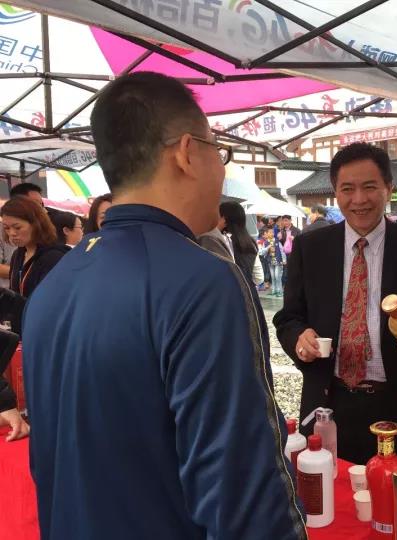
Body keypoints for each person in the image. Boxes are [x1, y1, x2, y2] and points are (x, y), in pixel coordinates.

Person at [21, 72, 306, 540]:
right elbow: (245, 495)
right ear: (187, 152)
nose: (221, 171)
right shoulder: (202, 280)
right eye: (219, 151)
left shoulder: (54, 284)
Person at [273, 142, 397, 464]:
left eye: (370, 187)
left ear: (388, 188)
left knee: (392, 490)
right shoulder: (311, 248)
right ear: (335, 192)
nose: (359, 199)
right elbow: (288, 317)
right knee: (327, 488)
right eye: (347, 189)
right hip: (328, 404)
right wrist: (298, 338)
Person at [1, 197, 67, 334]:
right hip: (21, 331)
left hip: (44, 332)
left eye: (17, 227)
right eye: (6, 228)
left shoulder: (54, 257)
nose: (12, 233)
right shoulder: (18, 254)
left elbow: (51, 305)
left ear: (36, 224)